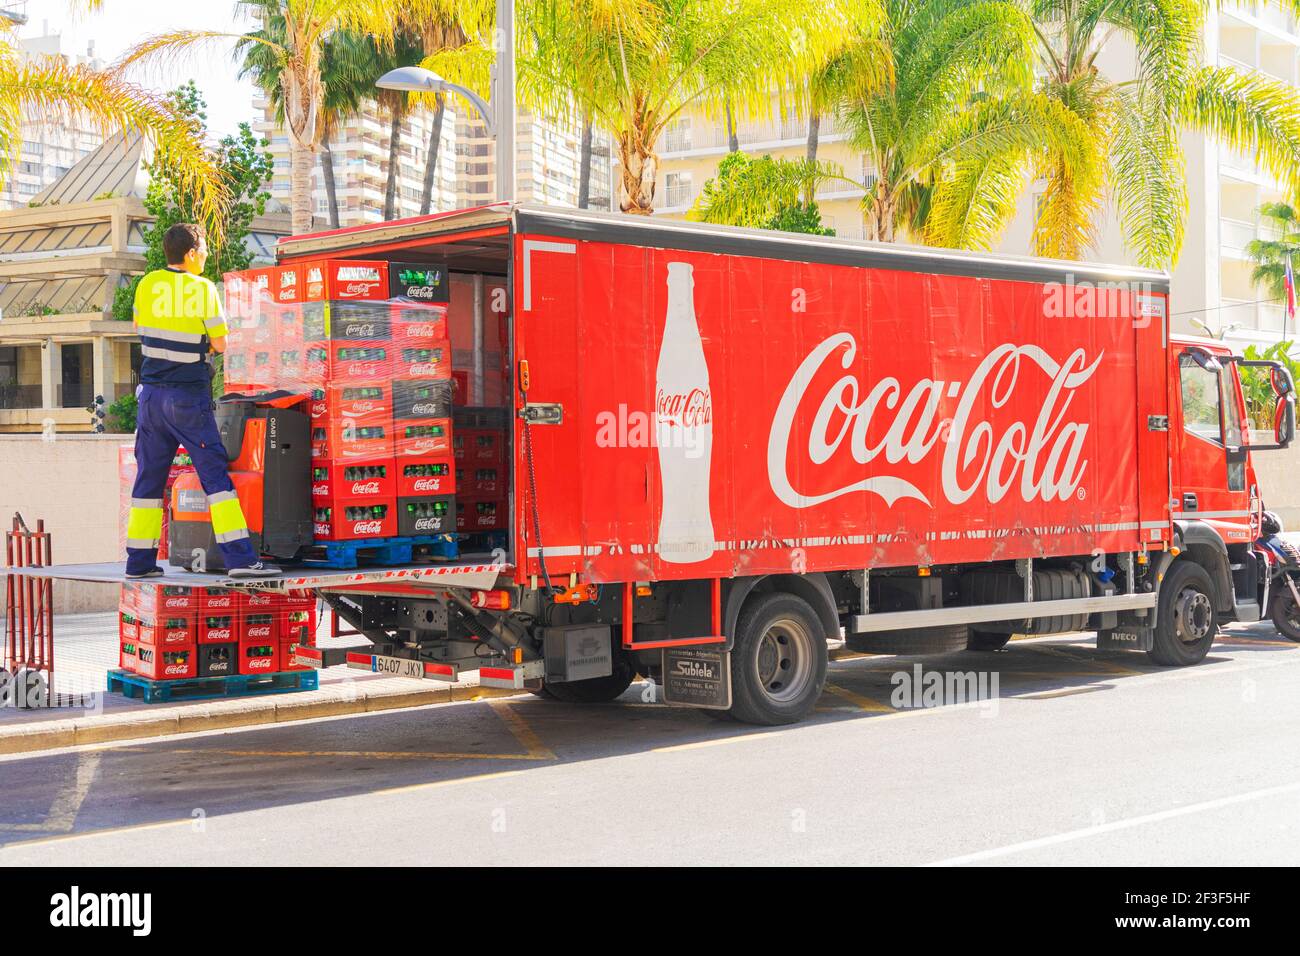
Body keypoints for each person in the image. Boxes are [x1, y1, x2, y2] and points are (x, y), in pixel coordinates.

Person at [124, 223, 279, 579]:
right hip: (187, 398)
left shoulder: (147, 284)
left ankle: (139, 562)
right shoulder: (203, 288)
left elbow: (140, 327)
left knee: (148, 481)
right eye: (204, 251)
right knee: (214, 477)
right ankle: (241, 559)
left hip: (150, 397)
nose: (206, 257)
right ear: (191, 254)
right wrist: (203, 344)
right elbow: (222, 344)